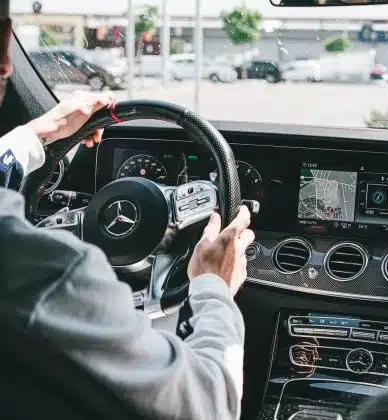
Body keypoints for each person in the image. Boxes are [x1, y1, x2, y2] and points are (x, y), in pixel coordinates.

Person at [0, 2, 253, 419]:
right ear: (5, 48)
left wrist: (37, 134)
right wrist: (213, 289)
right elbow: (209, 405)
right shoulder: (45, 275)